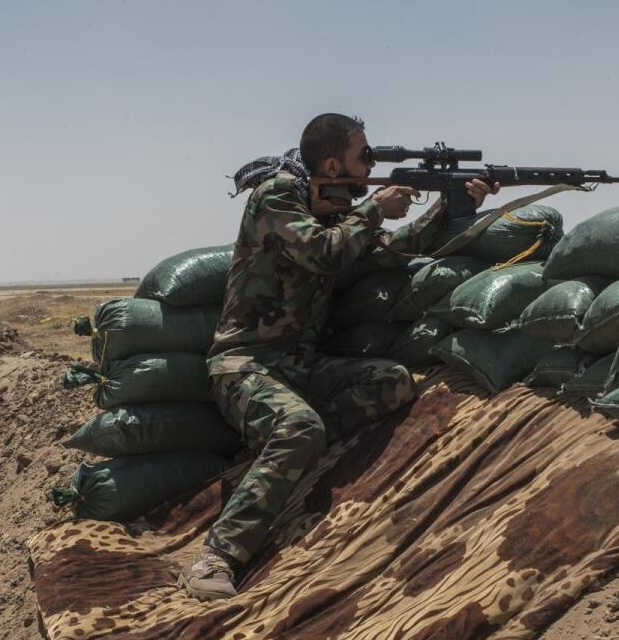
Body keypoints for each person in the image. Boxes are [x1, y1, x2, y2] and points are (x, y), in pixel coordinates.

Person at [179, 113, 497, 600]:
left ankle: (288, 450)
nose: (372, 166)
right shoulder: (278, 197)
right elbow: (324, 251)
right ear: (331, 162)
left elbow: (387, 252)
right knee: (300, 427)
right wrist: (373, 209)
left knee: (391, 381)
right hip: (245, 364)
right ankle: (217, 556)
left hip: (303, 366)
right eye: (363, 156)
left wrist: (450, 205)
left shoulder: (335, 209)